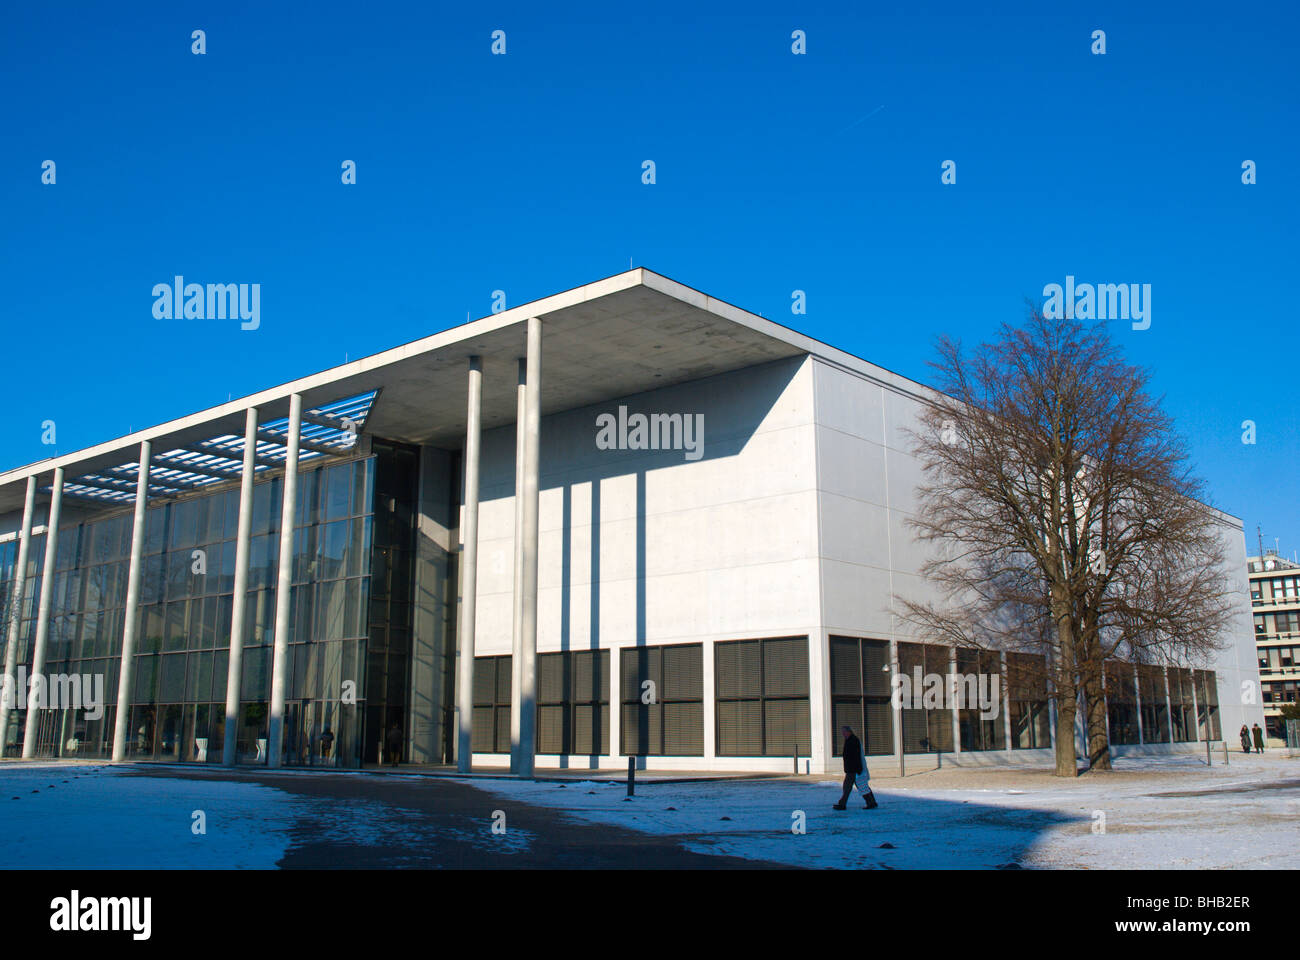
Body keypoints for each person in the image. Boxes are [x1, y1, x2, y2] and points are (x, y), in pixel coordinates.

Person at [833, 725, 878, 810]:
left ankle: (842, 804)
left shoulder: (853, 740)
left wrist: (858, 768)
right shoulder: (851, 740)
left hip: (853, 769)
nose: (843, 734)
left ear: (848, 732)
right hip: (852, 768)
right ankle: (871, 802)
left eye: (844, 732)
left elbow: (856, 756)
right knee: (861, 786)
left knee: (850, 786)